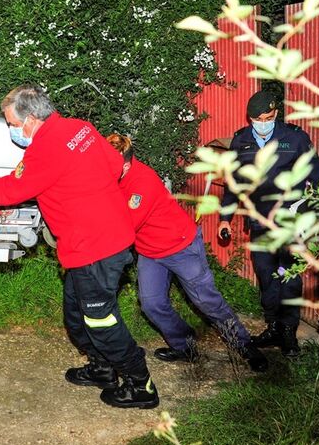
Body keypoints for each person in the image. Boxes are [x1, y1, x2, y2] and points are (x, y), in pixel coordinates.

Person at [0, 85, 157, 409]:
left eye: (12, 124)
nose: (12, 130)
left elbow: (8, 190)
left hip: (95, 249)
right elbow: (114, 166)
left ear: (30, 120)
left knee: (101, 321)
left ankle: (141, 385)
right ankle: (103, 369)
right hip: (99, 242)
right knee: (75, 314)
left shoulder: (45, 149)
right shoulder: (81, 129)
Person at [106, 134, 268, 372]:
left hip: (181, 246)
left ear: (127, 164)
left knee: (206, 301)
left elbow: (124, 226)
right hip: (150, 251)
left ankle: (245, 345)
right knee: (152, 303)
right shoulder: (111, 179)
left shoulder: (142, 182)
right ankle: (185, 346)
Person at [217, 90, 319, 357]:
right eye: (258, 119)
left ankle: (289, 332)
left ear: (276, 114)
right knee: (267, 276)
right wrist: (225, 218)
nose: (263, 123)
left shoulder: (295, 138)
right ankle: (273, 326)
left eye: (268, 118)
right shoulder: (241, 141)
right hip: (259, 223)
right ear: (250, 118)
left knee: (289, 277)